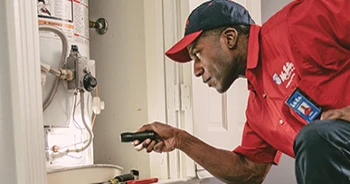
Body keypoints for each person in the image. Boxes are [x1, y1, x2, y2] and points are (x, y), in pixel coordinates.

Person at [133, 0, 350, 183]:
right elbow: (248, 171)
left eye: (197, 54)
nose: (196, 70)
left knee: (315, 137)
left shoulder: (297, 23)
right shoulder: (259, 110)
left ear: (229, 38)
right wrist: (180, 139)